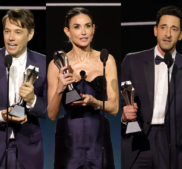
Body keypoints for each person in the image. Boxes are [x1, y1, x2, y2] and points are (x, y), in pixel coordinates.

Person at [121, 6, 182, 169]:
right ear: (155, 30)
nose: (167, 34)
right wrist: (124, 116)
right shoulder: (132, 62)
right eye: (163, 27)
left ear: (181, 35)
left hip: (174, 146)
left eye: (174, 29)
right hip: (138, 142)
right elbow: (121, 104)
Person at [0, 8, 46, 169]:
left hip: (29, 150)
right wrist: (0, 115)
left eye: (18, 32)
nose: (11, 38)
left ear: (30, 34)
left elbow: (51, 109)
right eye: (7, 31)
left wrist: (32, 100)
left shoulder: (44, 64)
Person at [47, 7, 119, 169]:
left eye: (87, 26)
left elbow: (114, 108)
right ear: (67, 31)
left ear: (93, 29)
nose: (83, 32)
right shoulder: (56, 64)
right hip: (69, 139)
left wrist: (95, 102)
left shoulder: (106, 60)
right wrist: (60, 88)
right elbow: (52, 115)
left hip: (98, 138)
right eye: (77, 27)